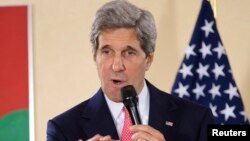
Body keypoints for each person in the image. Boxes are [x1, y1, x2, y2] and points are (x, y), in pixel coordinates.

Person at [47, 0, 214, 141]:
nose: (117, 65)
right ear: (95, 57)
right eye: (106, 52)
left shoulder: (196, 120)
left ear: (148, 59)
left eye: (129, 53)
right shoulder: (63, 129)